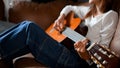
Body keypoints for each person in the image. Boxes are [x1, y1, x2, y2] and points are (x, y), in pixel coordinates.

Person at [0, 0, 118, 68]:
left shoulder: (110, 15)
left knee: (29, 28)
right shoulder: (90, 10)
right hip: (70, 50)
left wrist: (85, 55)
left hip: (79, 62)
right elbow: (69, 7)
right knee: (25, 24)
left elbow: (103, 48)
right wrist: (61, 18)